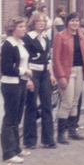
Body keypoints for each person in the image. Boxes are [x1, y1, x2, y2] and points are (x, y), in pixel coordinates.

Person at [53, 12, 84, 144]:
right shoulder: (60, 36)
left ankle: (72, 131)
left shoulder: (81, 37)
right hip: (67, 71)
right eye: (72, 20)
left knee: (75, 102)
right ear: (67, 22)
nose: (75, 23)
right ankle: (61, 134)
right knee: (67, 102)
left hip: (79, 71)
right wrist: (60, 76)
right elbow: (56, 58)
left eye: (77, 21)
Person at [0, 17, 34, 163]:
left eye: (24, 26)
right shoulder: (8, 45)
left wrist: (26, 77)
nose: (23, 29)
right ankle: (8, 153)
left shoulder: (21, 43)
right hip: (10, 85)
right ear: (12, 29)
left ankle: (16, 149)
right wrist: (24, 70)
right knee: (10, 118)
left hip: (20, 84)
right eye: (20, 27)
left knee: (17, 118)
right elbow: (5, 69)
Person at [23, 13, 57, 149]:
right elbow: (23, 59)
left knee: (47, 105)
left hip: (45, 74)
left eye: (43, 21)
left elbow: (48, 58)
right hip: (33, 73)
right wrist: (27, 79)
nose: (41, 23)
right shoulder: (27, 38)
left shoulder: (46, 37)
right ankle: (29, 141)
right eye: (38, 21)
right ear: (33, 23)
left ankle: (48, 139)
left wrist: (52, 75)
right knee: (31, 105)